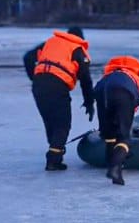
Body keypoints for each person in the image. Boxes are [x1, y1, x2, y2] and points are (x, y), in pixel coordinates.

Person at [23, 27, 95, 171]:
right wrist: (89, 103)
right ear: (80, 38)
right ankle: (53, 160)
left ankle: (55, 151)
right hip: (57, 86)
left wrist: (35, 78)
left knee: (50, 120)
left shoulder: (51, 42)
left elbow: (28, 57)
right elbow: (86, 79)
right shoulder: (77, 49)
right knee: (62, 123)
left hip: (39, 86)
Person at [93, 55, 139, 186]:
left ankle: (113, 168)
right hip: (123, 93)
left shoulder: (108, 76)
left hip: (100, 91)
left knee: (109, 134)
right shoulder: (137, 79)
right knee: (124, 137)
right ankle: (115, 168)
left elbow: (97, 92)